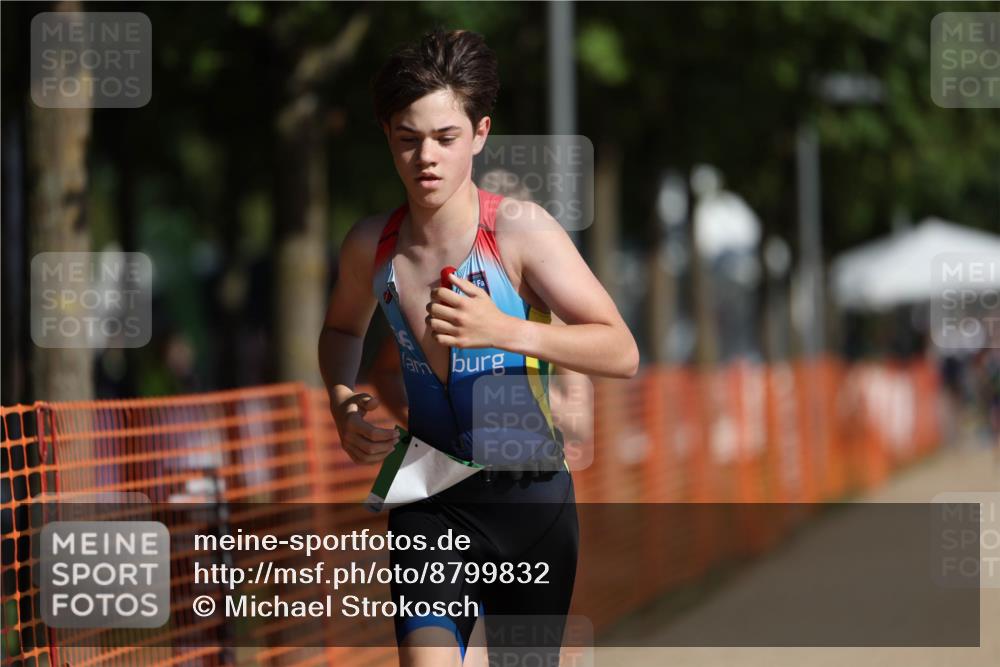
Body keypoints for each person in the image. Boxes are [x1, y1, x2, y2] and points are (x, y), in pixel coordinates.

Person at [318, 28, 638, 667]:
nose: (426, 158)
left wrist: (506, 330)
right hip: (429, 497)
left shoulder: (519, 230)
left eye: (446, 137)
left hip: (529, 500)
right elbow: (341, 331)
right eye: (408, 139)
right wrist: (342, 399)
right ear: (386, 135)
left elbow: (622, 351)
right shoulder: (370, 245)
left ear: (480, 133)